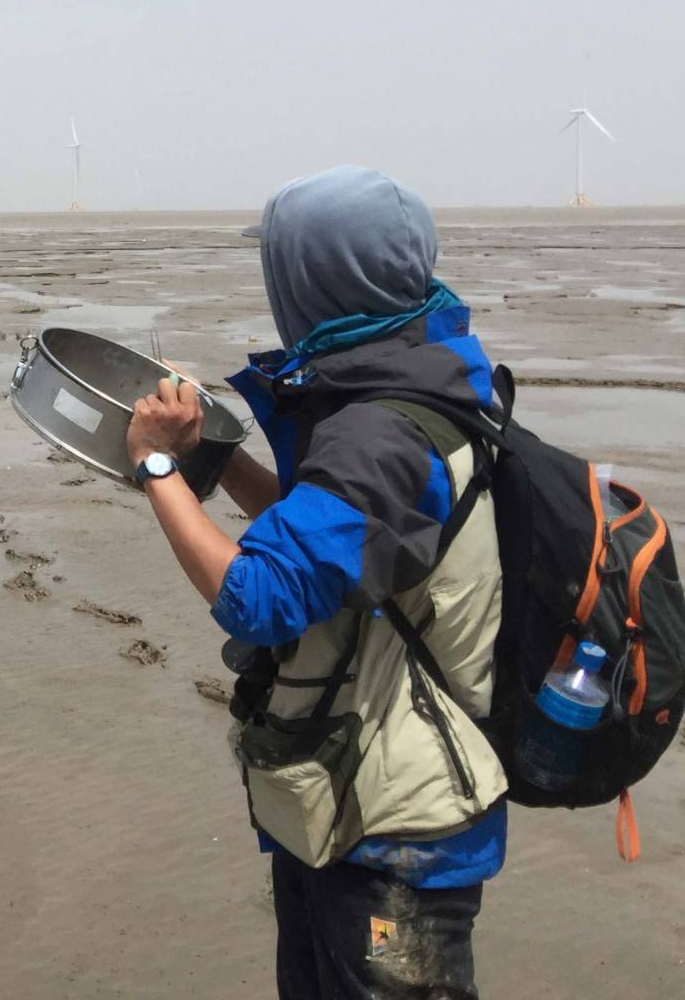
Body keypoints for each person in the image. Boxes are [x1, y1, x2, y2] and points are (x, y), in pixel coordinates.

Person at [124, 166, 505, 1000]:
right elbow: (339, 543)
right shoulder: (417, 378)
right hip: (355, 809)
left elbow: (258, 597)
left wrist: (155, 466)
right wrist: (216, 464)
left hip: (397, 832)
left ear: (314, 282)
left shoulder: (382, 429)